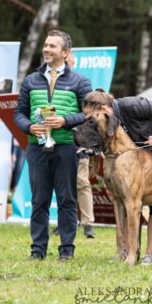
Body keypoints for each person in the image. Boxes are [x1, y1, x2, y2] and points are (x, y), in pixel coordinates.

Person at [14, 30, 92, 261]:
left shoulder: (80, 81)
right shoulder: (31, 80)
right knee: (39, 201)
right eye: (46, 45)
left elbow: (89, 113)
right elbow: (19, 113)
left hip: (66, 148)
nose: (47, 49)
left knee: (67, 200)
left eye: (52, 46)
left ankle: (66, 249)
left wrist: (65, 121)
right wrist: (29, 127)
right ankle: (38, 250)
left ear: (65, 53)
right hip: (37, 148)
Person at [81, 89, 152, 264]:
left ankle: (149, 254)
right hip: (136, 153)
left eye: (92, 119)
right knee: (128, 199)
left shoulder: (131, 105)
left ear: (104, 108)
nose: (91, 122)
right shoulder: (108, 121)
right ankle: (127, 251)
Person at [67, 51, 95, 239]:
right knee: (63, 185)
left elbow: (90, 113)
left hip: (80, 143)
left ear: (72, 61)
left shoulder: (81, 83)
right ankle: (67, 221)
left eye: (68, 60)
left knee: (82, 182)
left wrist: (88, 143)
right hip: (61, 140)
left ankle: (88, 224)